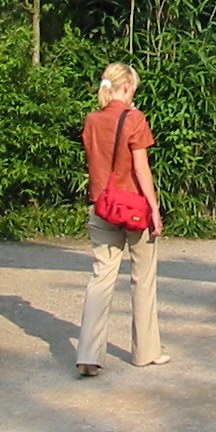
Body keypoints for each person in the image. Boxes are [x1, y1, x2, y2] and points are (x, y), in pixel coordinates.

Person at [75, 62, 169, 377]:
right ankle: (145, 352)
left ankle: (88, 353)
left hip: (101, 206)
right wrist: (155, 208)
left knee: (101, 277)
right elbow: (141, 168)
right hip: (134, 208)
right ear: (127, 86)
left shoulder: (91, 120)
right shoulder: (135, 119)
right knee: (142, 278)